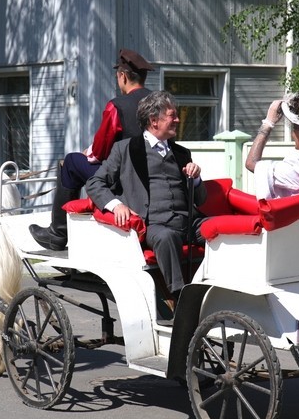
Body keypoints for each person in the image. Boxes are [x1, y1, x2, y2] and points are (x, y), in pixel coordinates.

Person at [86, 90, 207, 311]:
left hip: (190, 222)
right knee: (165, 237)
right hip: (155, 225)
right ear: (154, 121)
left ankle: (218, 287)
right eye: (173, 115)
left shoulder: (182, 152)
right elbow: (95, 183)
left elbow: (201, 199)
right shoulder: (125, 149)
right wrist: (116, 205)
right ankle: (180, 300)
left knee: (220, 230)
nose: (178, 120)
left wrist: (196, 179)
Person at [30, 48, 154, 250]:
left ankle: (58, 233)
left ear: (123, 76)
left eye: (117, 76)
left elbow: (99, 152)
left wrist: (88, 153)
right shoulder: (160, 102)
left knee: (70, 161)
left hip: (122, 180)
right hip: (151, 176)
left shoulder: (118, 106)